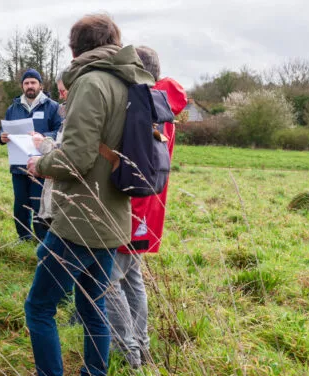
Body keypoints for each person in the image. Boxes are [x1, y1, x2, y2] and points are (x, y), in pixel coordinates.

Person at [24, 14, 156, 376]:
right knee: (93, 308)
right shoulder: (128, 79)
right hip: (114, 216)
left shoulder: (91, 82)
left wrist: (40, 164)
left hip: (79, 218)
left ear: (75, 49)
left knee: (39, 307)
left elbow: (76, 158)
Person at [106, 45, 188, 369]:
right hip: (151, 204)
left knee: (109, 281)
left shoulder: (141, 106)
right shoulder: (163, 104)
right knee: (133, 277)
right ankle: (141, 343)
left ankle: (129, 352)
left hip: (133, 205)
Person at [0, 68, 63, 241]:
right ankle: (24, 236)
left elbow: (60, 132)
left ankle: (42, 238)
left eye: (33, 82)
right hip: (18, 164)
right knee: (20, 202)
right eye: (26, 83)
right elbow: (3, 130)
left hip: (41, 164)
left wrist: (43, 137)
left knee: (38, 202)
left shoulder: (53, 107)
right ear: (22, 86)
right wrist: (2, 137)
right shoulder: (13, 108)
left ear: (40, 85)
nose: (30, 86)